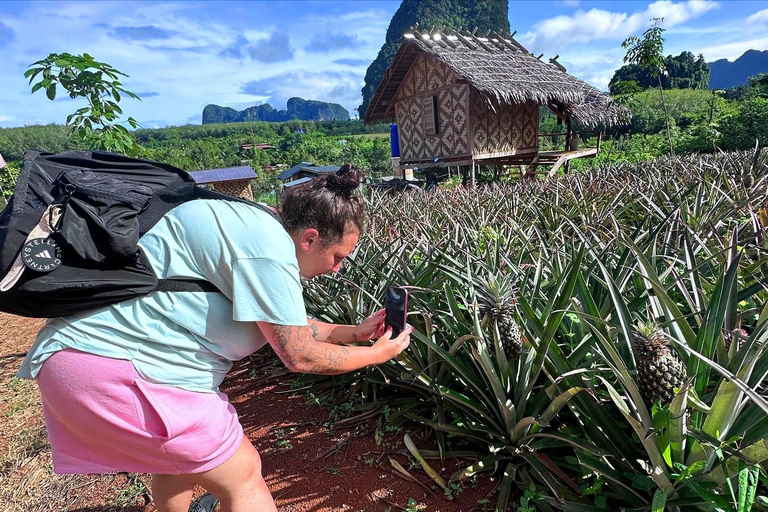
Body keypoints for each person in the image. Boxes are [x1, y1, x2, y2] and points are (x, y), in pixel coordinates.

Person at [16, 164, 412, 512]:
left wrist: (353, 333)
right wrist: (379, 353)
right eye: (338, 257)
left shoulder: (257, 226)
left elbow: (287, 325)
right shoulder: (268, 250)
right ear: (309, 239)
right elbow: (301, 355)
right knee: (244, 479)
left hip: (83, 362)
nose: (337, 270)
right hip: (123, 374)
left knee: (178, 464)